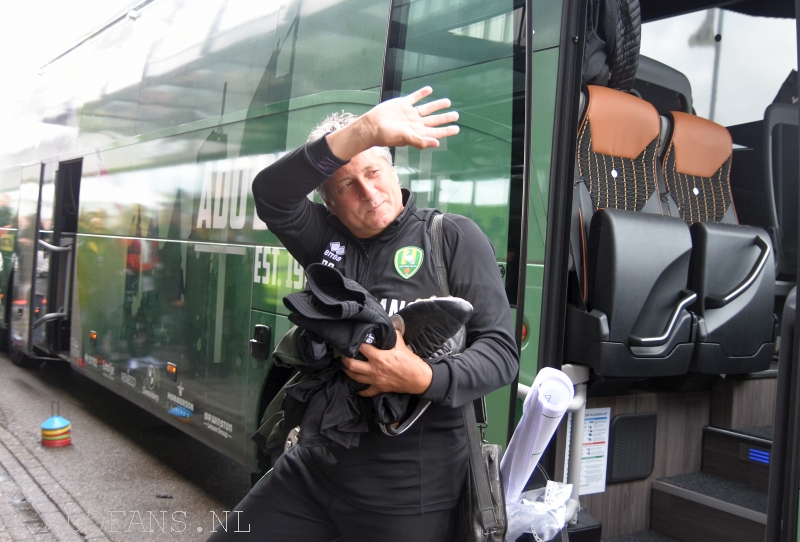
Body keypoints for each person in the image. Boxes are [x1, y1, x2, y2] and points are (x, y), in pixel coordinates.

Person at [207, 87, 518, 542]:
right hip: (317, 468)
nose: (368, 192)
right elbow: (270, 194)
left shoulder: (451, 238)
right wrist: (366, 131)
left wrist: (422, 378)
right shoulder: (325, 241)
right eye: (347, 185)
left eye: (374, 171)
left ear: (393, 170)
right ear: (329, 203)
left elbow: (501, 353)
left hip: (410, 490)